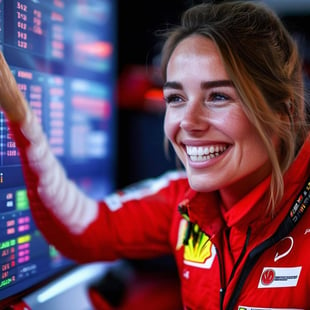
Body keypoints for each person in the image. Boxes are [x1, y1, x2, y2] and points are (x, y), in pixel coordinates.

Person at [0, 1, 309, 309]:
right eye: (176, 97)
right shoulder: (185, 201)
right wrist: (18, 110)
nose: (188, 121)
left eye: (218, 96)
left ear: (284, 112)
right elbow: (79, 229)